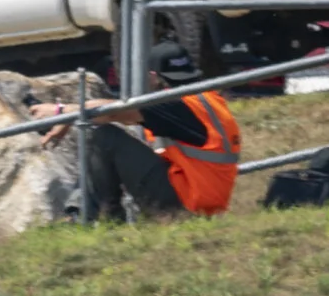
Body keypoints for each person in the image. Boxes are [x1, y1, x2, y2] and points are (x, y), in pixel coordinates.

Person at [34, 61, 242, 223]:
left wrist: (61, 111)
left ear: (153, 75)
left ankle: (96, 219)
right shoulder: (207, 99)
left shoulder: (174, 103)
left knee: (104, 138)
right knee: (112, 139)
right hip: (202, 201)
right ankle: (94, 216)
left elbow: (114, 112)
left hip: (186, 205)